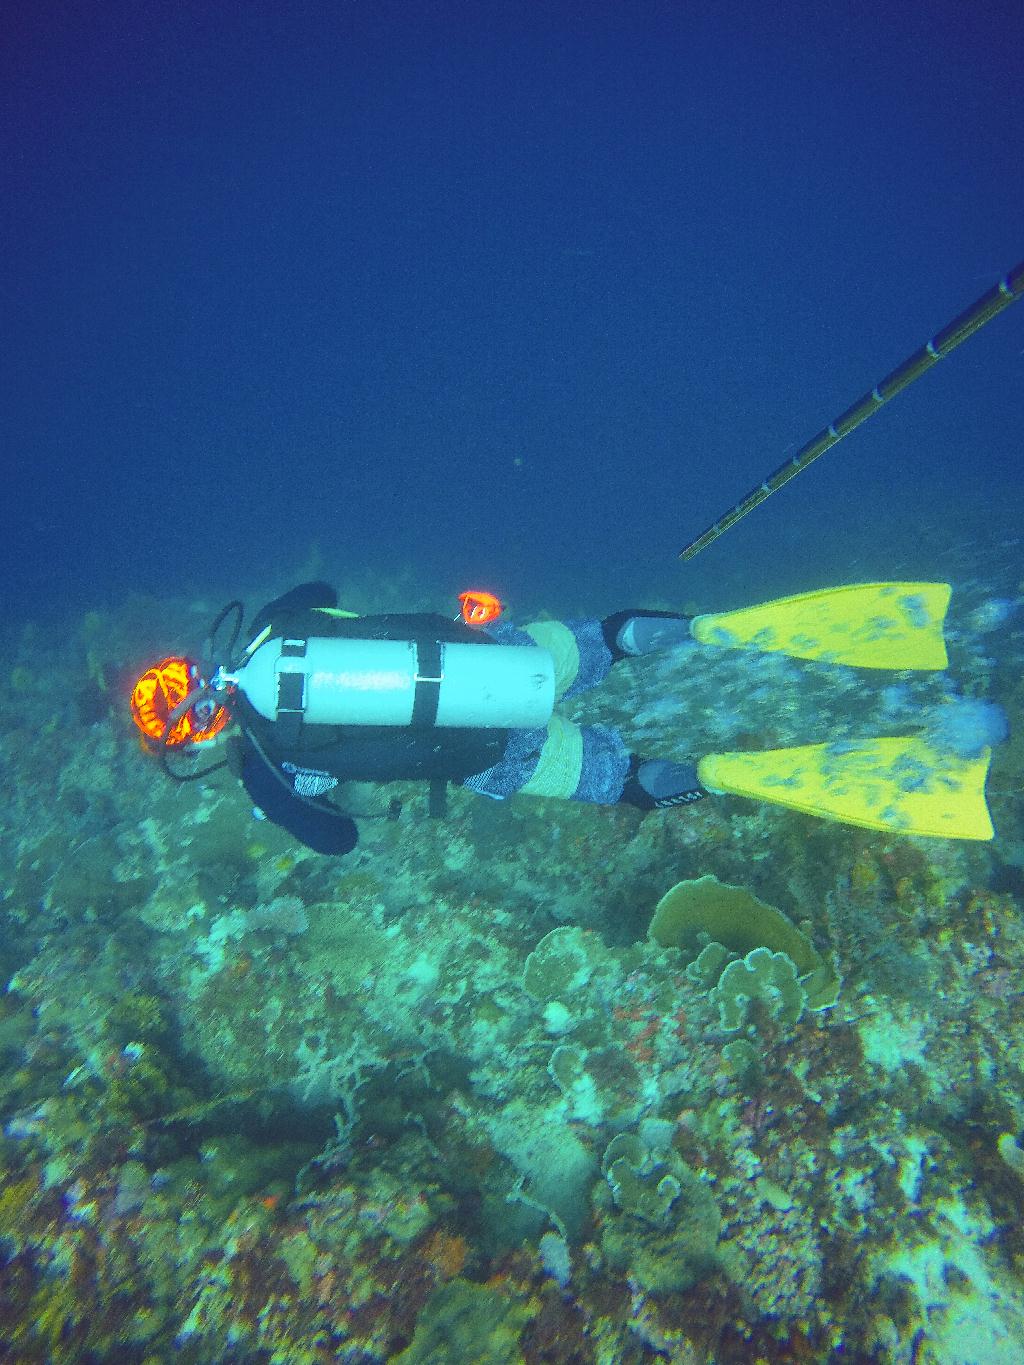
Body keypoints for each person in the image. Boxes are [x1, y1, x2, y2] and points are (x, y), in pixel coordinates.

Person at [130, 579, 996, 851]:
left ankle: (719, 775)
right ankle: (707, 629)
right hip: (498, 656)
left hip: (487, 754)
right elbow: (325, 593)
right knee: (608, 640)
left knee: (627, 785)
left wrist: (285, 789)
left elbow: (339, 841)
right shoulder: (282, 625)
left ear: (195, 732)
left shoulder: (263, 766)